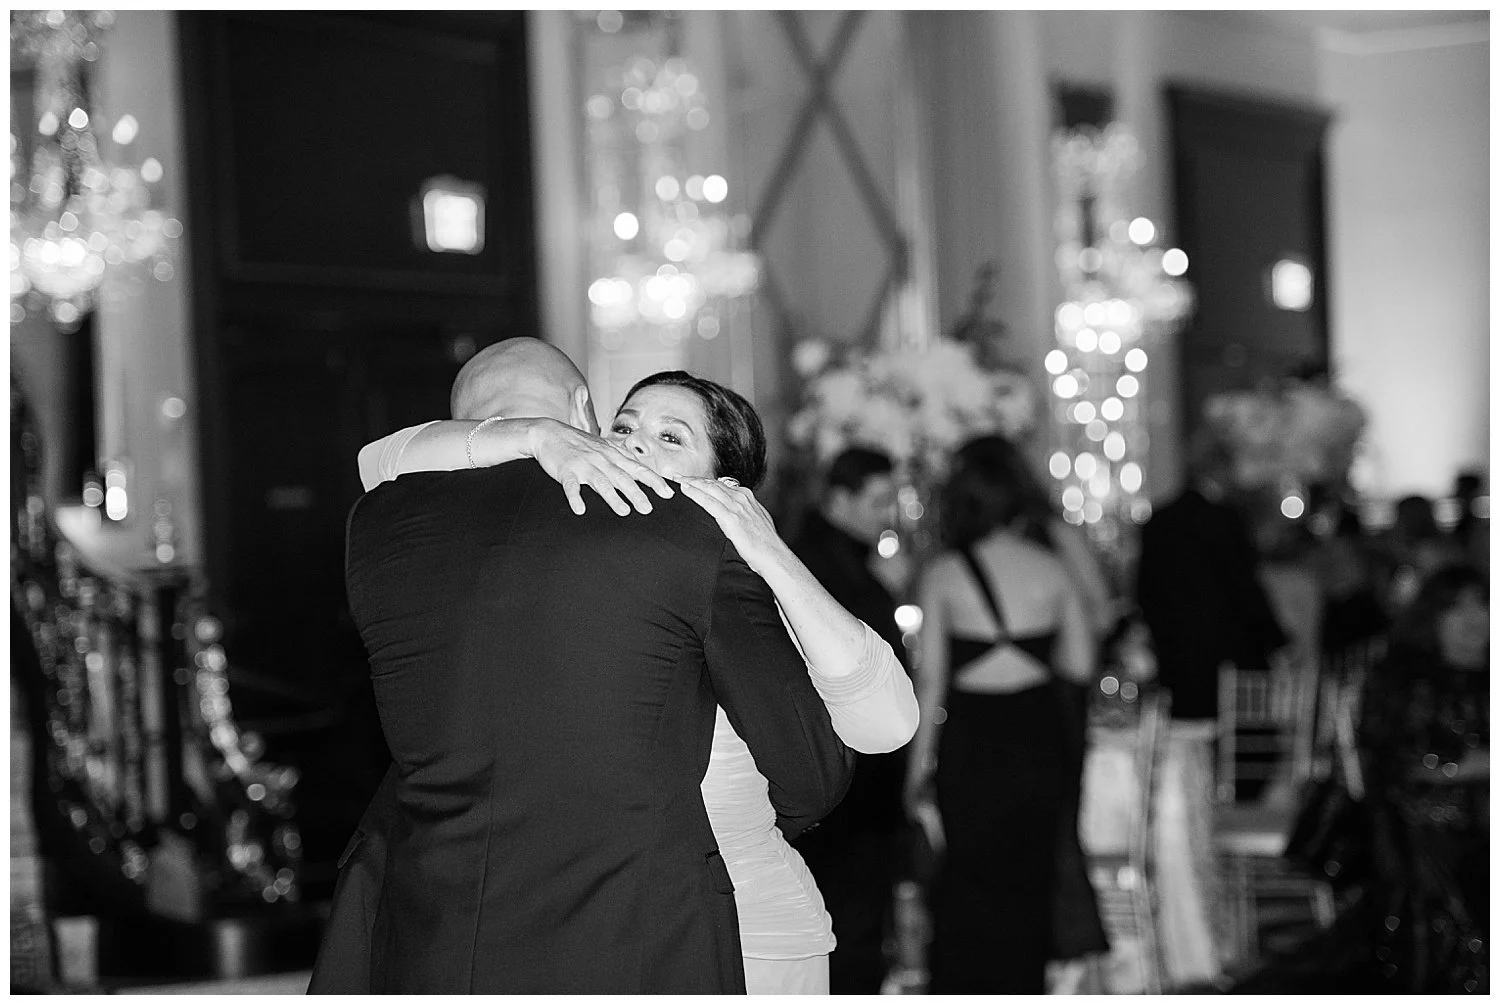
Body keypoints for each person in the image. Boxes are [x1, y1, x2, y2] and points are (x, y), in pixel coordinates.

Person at [323, 350, 919, 994]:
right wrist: (538, 435)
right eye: (624, 427)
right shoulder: (616, 546)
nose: (634, 446)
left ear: (727, 485)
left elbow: (867, 738)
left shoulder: (718, 555)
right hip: (640, 912)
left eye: (671, 438)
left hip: (743, 918)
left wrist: (767, 549)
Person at [905, 435, 1096, 993]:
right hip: (1038, 737)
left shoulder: (943, 574)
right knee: (1031, 878)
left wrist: (915, 773)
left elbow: (930, 684)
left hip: (973, 741)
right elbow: (1081, 664)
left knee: (966, 877)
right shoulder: (1050, 568)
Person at [786, 447, 909, 993]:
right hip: (846, 784)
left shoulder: (842, 559)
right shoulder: (823, 565)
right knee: (848, 930)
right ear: (840, 498)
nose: (888, 515)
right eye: (878, 501)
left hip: (849, 779)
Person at [1136, 428, 1288, 723]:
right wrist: (1277, 641)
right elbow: (1245, 590)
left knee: (1189, 740)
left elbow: (1145, 592)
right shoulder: (1223, 520)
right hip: (1232, 661)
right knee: (1240, 742)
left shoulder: (1160, 521)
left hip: (1177, 658)